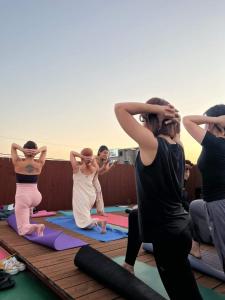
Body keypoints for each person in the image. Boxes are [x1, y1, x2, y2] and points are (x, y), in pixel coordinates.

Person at [115, 98, 202, 300]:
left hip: (167, 235)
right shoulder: (178, 146)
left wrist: (156, 109)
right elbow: (175, 130)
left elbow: (120, 108)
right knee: (186, 285)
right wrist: (168, 115)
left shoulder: (151, 144)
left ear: (151, 119)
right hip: (181, 228)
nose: (142, 123)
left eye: (144, 119)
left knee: (179, 293)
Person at [183, 105, 225, 268]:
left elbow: (187, 120)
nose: (205, 125)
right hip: (209, 203)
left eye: (207, 121)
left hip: (219, 204)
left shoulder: (216, 144)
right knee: (194, 206)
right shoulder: (214, 144)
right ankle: (195, 245)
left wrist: (215, 119)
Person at [11, 141, 47, 236]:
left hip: (23, 196)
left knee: (22, 229)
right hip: (36, 196)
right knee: (28, 206)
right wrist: (38, 151)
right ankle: (30, 214)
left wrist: (23, 150)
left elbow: (13, 145)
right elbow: (45, 148)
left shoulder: (18, 163)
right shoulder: (39, 163)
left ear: (24, 151)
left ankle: (36, 227)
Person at [70, 148, 107, 233]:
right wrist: (91, 158)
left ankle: (99, 222)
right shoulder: (94, 168)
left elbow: (72, 152)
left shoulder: (77, 168)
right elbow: (98, 167)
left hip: (81, 196)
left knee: (82, 224)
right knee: (85, 213)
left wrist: (82, 156)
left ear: (82, 157)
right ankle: (93, 220)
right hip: (91, 195)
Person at [94, 145, 117, 215]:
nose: (106, 154)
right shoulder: (94, 158)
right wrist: (104, 165)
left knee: (99, 193)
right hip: (87, 178)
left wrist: (112, 166)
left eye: (107, 153)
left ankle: (100, 211)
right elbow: (97, 171)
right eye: (104, 152)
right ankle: (84, 212)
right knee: (90, 195)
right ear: (99, 152)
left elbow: (102, 172)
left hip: (95, 178)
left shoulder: (106, 161)